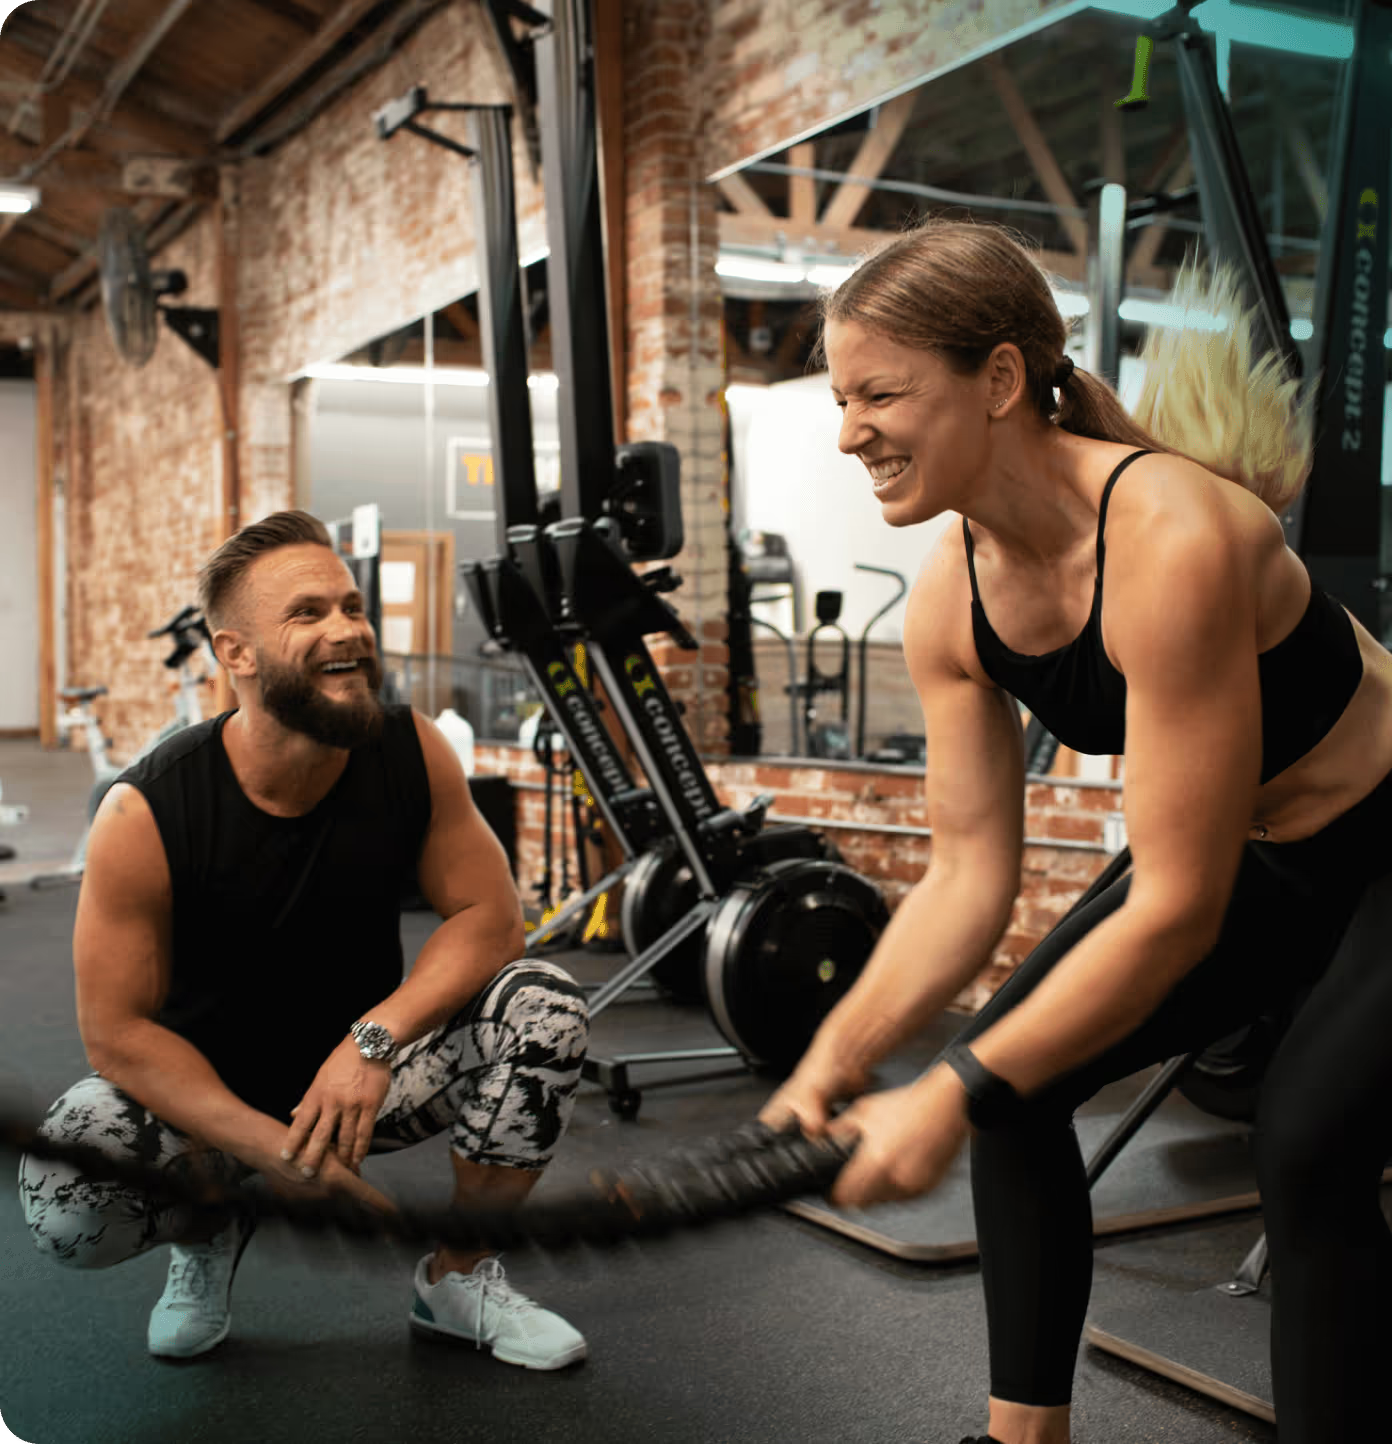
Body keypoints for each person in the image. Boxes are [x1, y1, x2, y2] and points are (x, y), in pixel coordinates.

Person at [761, 219, 1392, 1444]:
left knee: (1308, 1142)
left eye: (878, 393)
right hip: (1270, 848)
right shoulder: (952, 594)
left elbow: (1176, 904)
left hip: (1390, 839)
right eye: (843, 398)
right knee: (1018, 1076)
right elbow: (965, 877)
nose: (849, 431)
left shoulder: (1175, 536)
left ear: (999, 381)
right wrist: (838, 1055)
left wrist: (942, 1093)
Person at [18, 511, 592, 1370]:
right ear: (236, 654)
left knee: (542, 1006)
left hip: (363, 1081)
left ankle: (457, 1278)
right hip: (209, 1102)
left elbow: (488, 918)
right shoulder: (146, 811)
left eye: (352, 606)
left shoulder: (411, 751)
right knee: (66, 1198)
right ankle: (210, 1223)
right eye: (308, 613)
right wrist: (277, 1158)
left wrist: (374, 1039)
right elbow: (118, 1034)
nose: (348, 630)